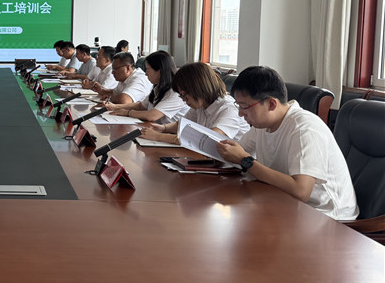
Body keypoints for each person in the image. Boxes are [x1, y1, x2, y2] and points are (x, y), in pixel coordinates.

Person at [215, 66, 358, 220]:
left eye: (244, 107)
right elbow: (238, 152)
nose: (240, 114)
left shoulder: (304, 129)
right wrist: (228, 153)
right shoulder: (262, 124)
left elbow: (301, 191)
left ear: (271, 104)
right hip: (284, 203)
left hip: (327, 216)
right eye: (238, 106)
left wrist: (245, 161)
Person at [140, 61, 249, 144]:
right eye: (181, 95)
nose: (183, 100)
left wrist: (158, 137)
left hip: (234, 165)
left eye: (184, 95)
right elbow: (182, 123)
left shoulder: (228, 109)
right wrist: (163, 128)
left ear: (198, 88)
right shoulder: (202, 104)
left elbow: (207, 140)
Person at [103, 51, 188, 121]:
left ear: (159, 71)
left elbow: (152, 116)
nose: (146, 73)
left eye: (148, 69)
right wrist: (115, 107)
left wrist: (127, 113)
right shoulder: (158, 87)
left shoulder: (175, 92)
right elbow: (141, 106)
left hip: (168, 134)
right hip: (154, 128)